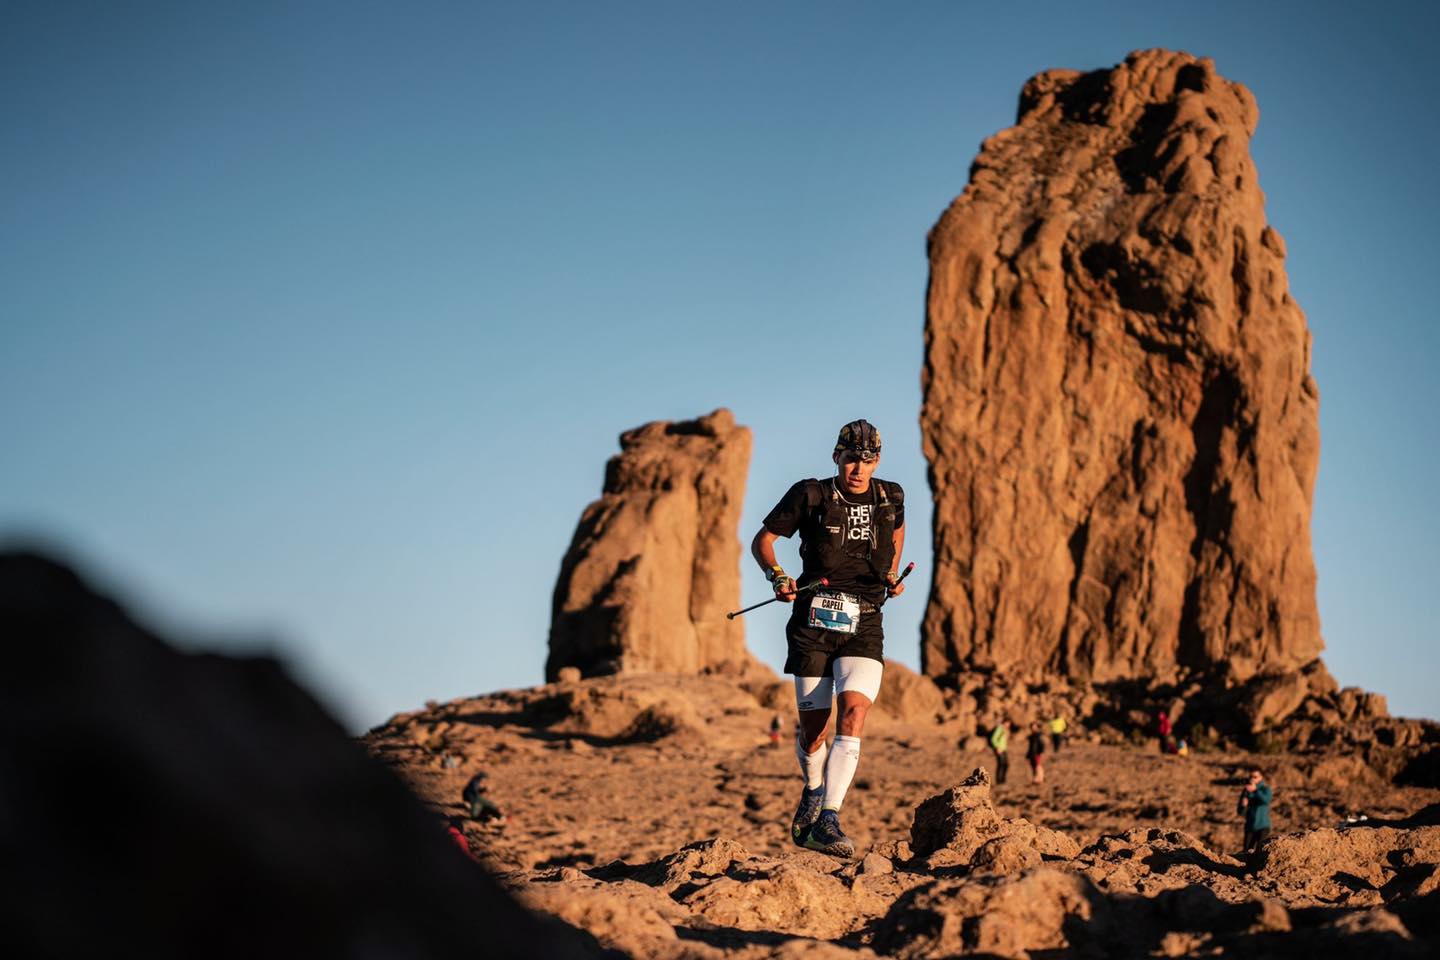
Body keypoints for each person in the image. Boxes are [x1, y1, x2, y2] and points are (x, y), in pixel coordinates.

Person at [750, 419, 906, 859]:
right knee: (812, 735)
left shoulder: (890, 496)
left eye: (868, 459)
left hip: (866, 620)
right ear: (837, 456)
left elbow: (895, 535)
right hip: (813, 620)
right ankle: (814, 789)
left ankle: (829, 818)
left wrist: (891, 575)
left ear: (877, 461)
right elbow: (763, 541)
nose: (859, 467)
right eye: (852, 458)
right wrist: (777, 575)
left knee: (853, 714)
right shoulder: (811, 494)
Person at [1238, 768, 1272, 856]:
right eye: (1250, 776)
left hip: (1263, 826)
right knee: (1246, 852)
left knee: (1260, 851)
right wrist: (1243, 806)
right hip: (1250, 826)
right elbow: (1240, 812)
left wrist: (1256, 790)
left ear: (1261, 777)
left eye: (1255, 776)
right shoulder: (1246, 791)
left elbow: (1266, 800)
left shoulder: (1265, 789)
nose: (1252, 778)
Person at [988, 719, 1010, 785]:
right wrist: (997, 747)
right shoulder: (999, 728)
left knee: (1006, 764)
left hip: (1004, 749)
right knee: (1001, 764)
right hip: (999, 750)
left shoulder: (1003, 729)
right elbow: (993, 739)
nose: (1008, 725)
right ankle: (999, 781)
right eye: (1008, 723)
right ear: (1005, 722)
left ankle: (1003, 780)